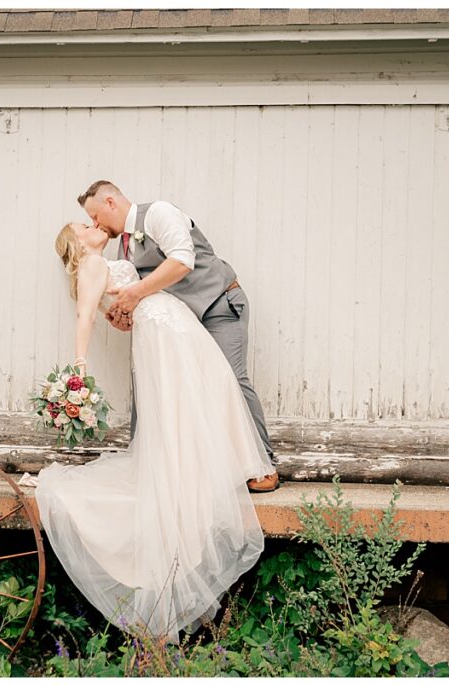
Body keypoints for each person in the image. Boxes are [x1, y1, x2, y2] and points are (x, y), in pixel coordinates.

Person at [34, 220, 275, 644]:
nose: (93, 226)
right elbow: (84, 314)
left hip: (171, 326)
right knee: (184, 398)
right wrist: (80, 367)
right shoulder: (90, 263)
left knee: (204, 391)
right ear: (76, 242)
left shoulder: (105, 261)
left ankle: (206, 463)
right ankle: (190, 470)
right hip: (162, 331)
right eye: (84, 225)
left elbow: (110, 305)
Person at [78, 180, 279, 493]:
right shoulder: (125, 245)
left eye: (95, 215)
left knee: (231, 380)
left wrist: (135, 294)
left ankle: (263, 463)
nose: (95, 223)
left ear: (110, 202)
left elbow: (182, 260)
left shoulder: (159, 214)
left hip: (217, 304)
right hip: (184, 321)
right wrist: (125, 313)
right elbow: (146, 289)